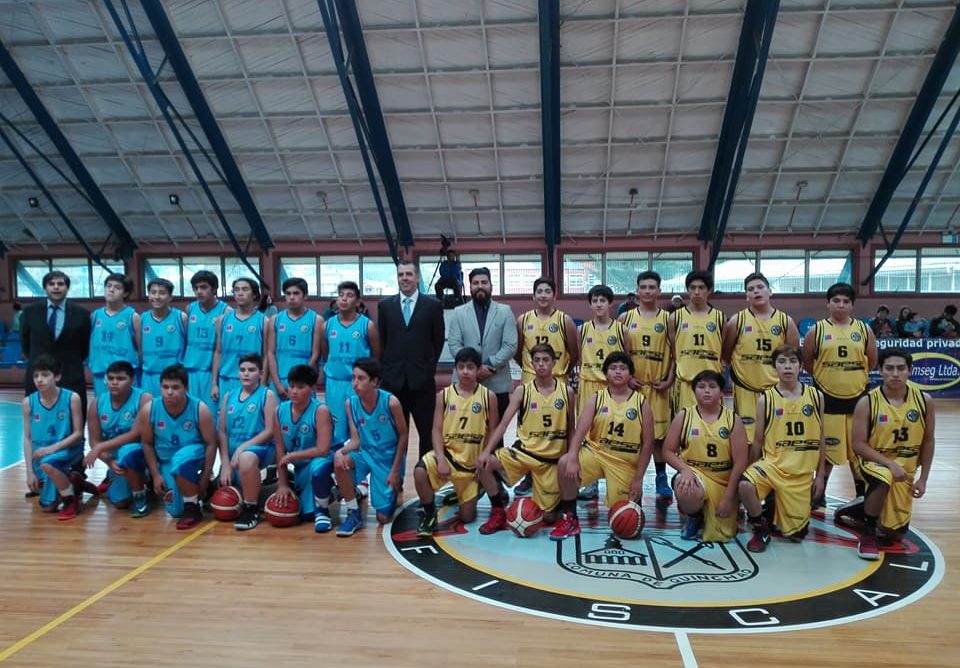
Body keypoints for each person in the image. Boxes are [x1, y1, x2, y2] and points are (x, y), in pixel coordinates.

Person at [840, 348, 936, 559]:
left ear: (909, 371)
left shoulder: (924, 401)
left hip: (906, 470)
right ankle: (868, 533)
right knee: (884, 476)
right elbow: (858, 445)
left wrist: (924, 479)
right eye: (889, 368)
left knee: (896, 533)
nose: (895, 373)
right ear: (880, 371)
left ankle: (859, 508)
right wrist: (889, 464)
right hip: (873, 463)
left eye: (901, 368)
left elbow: (928, 441)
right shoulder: (868, 402)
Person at [550, 351, 655, 541]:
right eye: (613, 368)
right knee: (565, 463)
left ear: (630, 374)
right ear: (606, 373)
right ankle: (570, 518)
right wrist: (573, 456)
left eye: (623, 368)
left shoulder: (641, 403)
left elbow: (648, 444)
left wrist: (639, 478)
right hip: (596, 454)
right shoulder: (596, 398)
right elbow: (580, 431)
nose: (618, 372)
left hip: (625, 464)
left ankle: (631, 500)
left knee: (627, 523)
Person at [476, 343, 575, 534]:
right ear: (531, 363)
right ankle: (498, 510)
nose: (541, 364)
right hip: (524, 453)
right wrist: (486, 451)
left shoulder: (567, 392)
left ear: (554, 363)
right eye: (537, 360)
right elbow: (504, 424)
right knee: (483, 464)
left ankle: (557, 501)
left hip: (550, 461)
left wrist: (571, 457)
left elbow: (571, 429)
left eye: (546, 360)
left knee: (547, 518)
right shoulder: (523, 391)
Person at [740, 344, 826, 552]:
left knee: (796, 536)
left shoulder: (816, 396)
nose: (787, 367)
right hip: (772, 467)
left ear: (801, 367)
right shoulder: (765, 399)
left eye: (793, 361)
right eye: (782, 362)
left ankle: (774, 507)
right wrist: (750, 469)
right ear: (774, 367)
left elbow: (821, 437)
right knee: (745, 485)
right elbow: (758, 440)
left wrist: (821, 474)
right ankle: (760, 527)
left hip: (800, 473)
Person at [801, 282, 876, 504]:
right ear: (828, 304)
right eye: (836, 301)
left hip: (857, 398)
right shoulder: (818, 330)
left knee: (858, 449)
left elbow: (871, 361)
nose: (840, 305)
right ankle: (819, 491)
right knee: (827, 448)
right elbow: (807, 362)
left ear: (852, 305)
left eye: (845, 301)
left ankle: (861, 494)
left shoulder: (864, 330)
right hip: (828, 398)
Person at [414, 348, 498, 536]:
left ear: (478, 370)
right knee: (420, 471)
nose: (465, 372)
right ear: (456, 370)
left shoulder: (488, 396)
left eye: (470, 367)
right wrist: (441, 458)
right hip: (449, 457)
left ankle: (472, 489)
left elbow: (494, 429)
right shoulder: (443, 395)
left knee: (467, 517)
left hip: (470, 463)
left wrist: (485, 456)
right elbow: (435, 429)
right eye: (461, 367)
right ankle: (429, 514)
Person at [662, 370, 748, 543]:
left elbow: (740, 463)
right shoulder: (684, 416)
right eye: (701, 387)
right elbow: (667, 451)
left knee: (721, 536)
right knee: (685, 486)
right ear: (694, 392)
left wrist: (729, 497)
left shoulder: (733, 420)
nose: (706, 391)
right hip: (696, 475)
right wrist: (684, 470)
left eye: (712, 386)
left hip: (724, 480)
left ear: (722, 393)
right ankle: (693, 516)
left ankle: (724, 508)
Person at [131, 364, 218, 528]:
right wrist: (156, 475)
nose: (169, 392)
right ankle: (186, 494)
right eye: (165, 387)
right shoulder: (149, 409)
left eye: (175, 387)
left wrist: (205, 477)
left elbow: (212, 443)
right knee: (176, 511)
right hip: (166, 461)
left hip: (193, 455)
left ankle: (193, 507)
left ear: (186, 388)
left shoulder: (200, 409)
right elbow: (147, 444)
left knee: (181, 458)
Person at [721, 272, 800, 445]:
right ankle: (750, 472)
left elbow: (793, 357)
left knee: (777, 435)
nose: (756, 291)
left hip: (776, 389)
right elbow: (726, 353)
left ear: (770, 291)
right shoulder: (737, 320)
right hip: (745, 389)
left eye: (760, 287)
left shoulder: (785, 321)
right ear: (746, 296)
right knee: (748, 439)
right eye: (751, 289)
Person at [377, 260, 445, 458]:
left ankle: (427, 478)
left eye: (408, 274)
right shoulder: (385, 306)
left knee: (427, 433)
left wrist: (428, 368)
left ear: (417, 277)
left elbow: (438, 340)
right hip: (393, 382)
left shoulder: (432, 305)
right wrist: (385, 373)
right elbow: (383, 341)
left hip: (422, 381)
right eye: (400, 275)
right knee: (396, 435)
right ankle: (395, 481)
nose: (404, 278)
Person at [334, 358, 409, 536]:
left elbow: (404, 436)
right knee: (339, 462)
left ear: (375, 381)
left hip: (388, 458)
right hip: (366, 452)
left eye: (361, 378)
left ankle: (392, 488)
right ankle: (353, 513)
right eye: (353, 378)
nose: (355, 383)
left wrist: (395, 470)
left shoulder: (391, 403)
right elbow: (355, 440)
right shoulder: (350, 404)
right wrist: (340, 452)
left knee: (382, 517)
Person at [445, 267, 517, 445]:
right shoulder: (458, 312)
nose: (480, 286)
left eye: (484, 282)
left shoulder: (505, 311)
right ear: (470, 287)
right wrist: (472, 369)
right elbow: (454, 344)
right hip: (465, 382)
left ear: (491, 285)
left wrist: (489, 365)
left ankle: (495, 469)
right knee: (467, 433)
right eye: (475, 283)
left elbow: (510, 345)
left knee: (496, 434)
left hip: (497, 382)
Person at [621, 270, 675, 500]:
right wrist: (627, 379)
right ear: (637, 290)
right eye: (643, 287)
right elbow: (620, 356)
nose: (647, 291)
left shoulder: (668, 319)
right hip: (634, 387)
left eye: (652, 287)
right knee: (634, 435)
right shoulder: (625, 319)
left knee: (659, 437)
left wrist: (670, 379)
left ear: (659, 291)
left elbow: (675, 353)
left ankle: (661, 477)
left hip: (658, 386)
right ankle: (633, 477)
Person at [272, 364, 336, 533]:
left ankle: (332, 490)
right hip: (300, 464)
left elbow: (323, 450)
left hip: (322, 460)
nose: (294, 391)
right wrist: (282, 484)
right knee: (301, 512)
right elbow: (279, 450)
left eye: (300, 387)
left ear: (313, 388)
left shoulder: (320, 411)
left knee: (309, 514)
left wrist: (292, 455)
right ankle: (293, 483)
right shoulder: (279, 411)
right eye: (292, 386)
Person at [20, 270, 91, 419]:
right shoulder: (29, 312)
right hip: (38, 375)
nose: (56, 287)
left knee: (73, 419)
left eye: (60, 284)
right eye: (51, 284)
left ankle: (75, 442)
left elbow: (84, 347)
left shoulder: (82, 314)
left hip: (71, 374)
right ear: (45, 288)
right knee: (38, 420)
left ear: (67, 288)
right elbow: (25, 343)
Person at [218, 353, 278, 531]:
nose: (246, 374)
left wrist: (242, 449)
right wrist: (225, 464)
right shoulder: (229, 395)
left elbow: (270, 430)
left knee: (245, 459)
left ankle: (251, 509)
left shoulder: (267, 395)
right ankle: (266, 489)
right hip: (235, 453)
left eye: (251, 370)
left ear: (260, 374)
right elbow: (222, 432)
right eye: (242, 370)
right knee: (231, 491)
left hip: (261, 449)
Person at [22, 354, 84, 520]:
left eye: (45, 375)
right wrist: (29, 472)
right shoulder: (29, 402)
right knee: (48, 507)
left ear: (57, 376)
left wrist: (51, 449)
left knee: (48, 463)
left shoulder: (72, 398)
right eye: (36, 376)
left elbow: (78, 434)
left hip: (66, 450)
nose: (39, 380)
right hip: (40, 456)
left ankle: (70, 501)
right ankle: (74, 483)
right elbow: (27, 438)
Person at [83, 361, 150, 511]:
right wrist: (109, 460)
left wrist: (100, 447)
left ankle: (145, 482)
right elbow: (94, 439)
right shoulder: (98, 403)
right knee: (120, 503)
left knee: (128, 451)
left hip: (141, 455)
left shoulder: (144, 399)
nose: (114, 382)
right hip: (116, 459)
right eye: (111, 378)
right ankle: (115, 476)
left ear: (132, 380)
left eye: (120, 379)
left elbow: (135, 434)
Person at [321, 280, 380, 450]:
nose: (344, 299)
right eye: (341, 295)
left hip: (359, 383)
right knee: (336, 428)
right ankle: (338, 467)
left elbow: (376, 356)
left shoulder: (367, 326)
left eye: (349, 295)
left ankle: (362, 468)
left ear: (358, 301)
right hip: (335, 383)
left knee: (361, 425)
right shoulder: (327, 325)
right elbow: (326, 353)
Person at [669, 271, 724, 414]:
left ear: (709, 290)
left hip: (711, 384)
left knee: (712, 427)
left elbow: (724, 350)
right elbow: (674, 353)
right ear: (687, 290)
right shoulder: (676, 317)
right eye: (692, 288)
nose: (696, 292)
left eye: (701, 288)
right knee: (684, 428)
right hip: (685, 383)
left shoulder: (719, 317)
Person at [212, 277, 266, 407]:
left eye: (245, 289)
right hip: (226, 379)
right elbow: (218, 352)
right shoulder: (222, 320)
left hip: (253, 381)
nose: (240, 293)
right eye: (236, 290)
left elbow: (266, 356)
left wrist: (263, 384)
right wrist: (214, 383)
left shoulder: (264, 321)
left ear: (254, 294)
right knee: (225, 421)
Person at [516, 276, 579, 385]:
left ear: (554, 296)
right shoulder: (523, 320)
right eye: (539, 292)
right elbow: (517, 352)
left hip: (557, 378)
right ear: (534, 296)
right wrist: (528, 368)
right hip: (530, 378)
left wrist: (563, 371)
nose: (543, 295)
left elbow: (574, 354)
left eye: (547, 291)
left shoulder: (565, 320)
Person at [266, 277, 321, 400]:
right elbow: (270, 353)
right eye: (288, 293)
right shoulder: (275, 320)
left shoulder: (316, 320)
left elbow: (315, 355)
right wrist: (277, 383)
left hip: (304, 382)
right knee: (277, 418)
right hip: (279, 381)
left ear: (305, 296)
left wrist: (300, 383)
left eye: (296, 293)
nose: (291, 297)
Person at [183, 270, 230, 411]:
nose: (199, 291)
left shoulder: (226, 311)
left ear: (214, 289)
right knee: (190, 413)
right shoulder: (190, 309)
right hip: (190, 371)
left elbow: (222, 348)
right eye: (196, 288)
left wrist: (215, 381)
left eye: (203, 287)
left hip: (210, 372)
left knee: (211, 414)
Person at [89, 273, 140, 398]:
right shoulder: (95, 316)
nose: (111, 290)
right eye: (108, 286)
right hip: (101, 373)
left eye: (117, 287)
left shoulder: (132, 316)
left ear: (125, 293)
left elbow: (140, 350)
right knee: (104, 411)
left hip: (124, 375)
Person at [139, 278, 187, 399]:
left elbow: (188, 346)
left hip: (174, 377)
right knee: (150, 411)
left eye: (162, 293)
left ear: (170, 297)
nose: (157, 296)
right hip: (149, 376)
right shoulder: (141, 319)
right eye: (153, 292)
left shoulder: (181, 317)